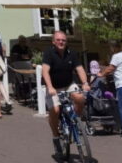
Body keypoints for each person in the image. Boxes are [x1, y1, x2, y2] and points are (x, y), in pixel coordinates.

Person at [42, 31, 90, 159]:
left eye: (63, 40)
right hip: (53, 87)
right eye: (58, 40)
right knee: (55, 110)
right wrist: (50, 87)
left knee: (80, 97)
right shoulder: (49, 53)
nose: (61, 42)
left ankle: (76, 120)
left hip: (68, 84)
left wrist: (85, 83)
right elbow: (45, 71)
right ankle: (56, 137)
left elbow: (79, 69)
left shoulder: (72, 53)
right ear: (53, 41)